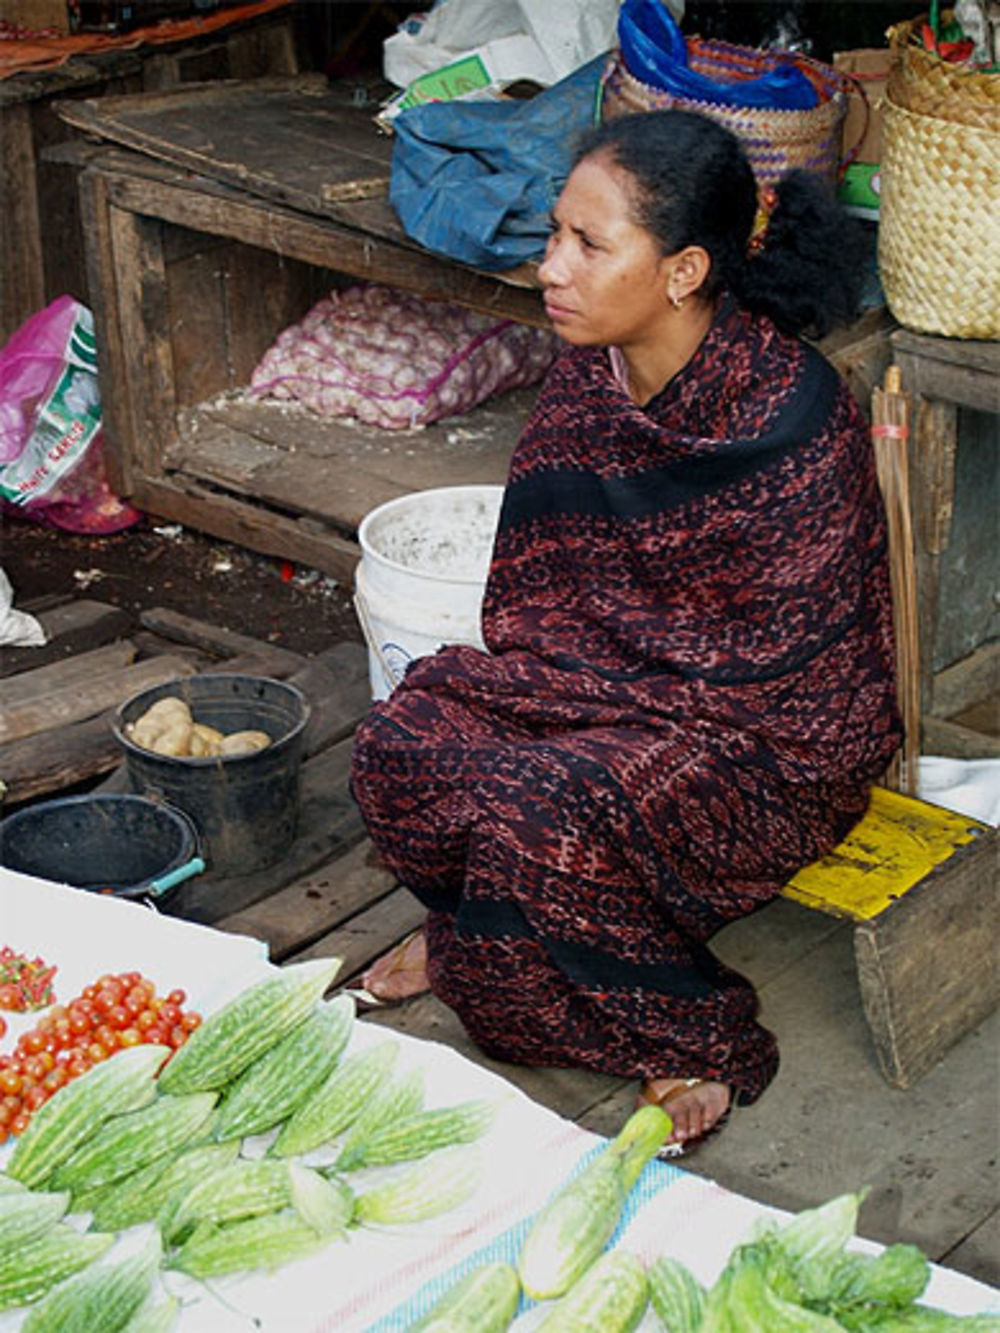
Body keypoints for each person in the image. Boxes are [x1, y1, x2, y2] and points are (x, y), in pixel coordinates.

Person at [350, 109, 902, 1151]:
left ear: (685, 270)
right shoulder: (583, 380)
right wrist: (568, 702)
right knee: (400, 741)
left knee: (536, 808)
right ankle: (481, 925)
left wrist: (593, 729)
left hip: (765, 752)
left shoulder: (790, 416)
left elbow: (790, 687)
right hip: (598, 696)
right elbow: (533, 607)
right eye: (557, 233)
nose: (550, 266)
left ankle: (678, 1024)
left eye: (588, 245)